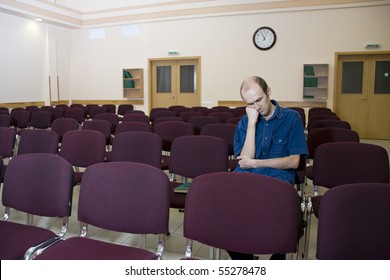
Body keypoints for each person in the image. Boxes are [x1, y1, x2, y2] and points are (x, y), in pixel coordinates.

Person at [228, 76, 308, 260]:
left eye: (259, 100)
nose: (256, 107)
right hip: (246, 182)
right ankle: (247, 263)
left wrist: (256, 163)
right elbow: (245, 158)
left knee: (291, 225)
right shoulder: (244, 122)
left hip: (277, 183)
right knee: (222, 217)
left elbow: (294, 162)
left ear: (268, 92)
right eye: (250, 103)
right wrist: (251, 124)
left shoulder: (291, 118)